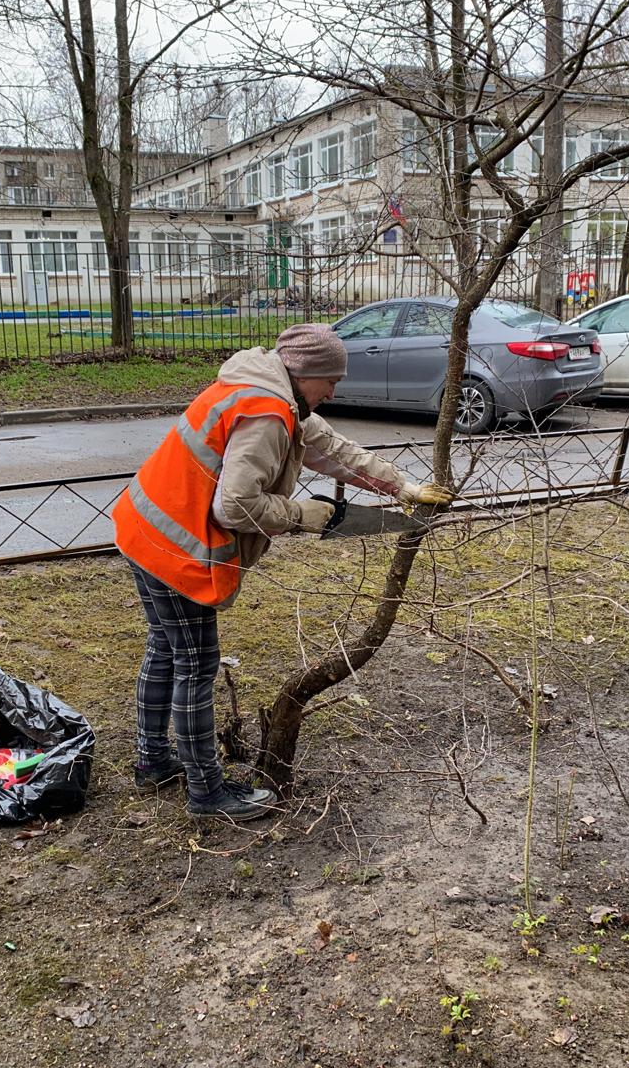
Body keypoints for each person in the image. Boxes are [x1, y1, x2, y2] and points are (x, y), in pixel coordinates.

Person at [112, 323, 452, 822]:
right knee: (196, 665)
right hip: (175, 547)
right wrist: (302, 515)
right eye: (330, 381)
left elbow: (329, 448)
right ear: (306, 373)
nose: (333, 392)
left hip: (143, 526)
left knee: (166, 651)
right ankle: (206, 794)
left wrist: (400, 486)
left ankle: (153, 762)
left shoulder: (265, 388)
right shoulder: (268, 412)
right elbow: (234, 505)